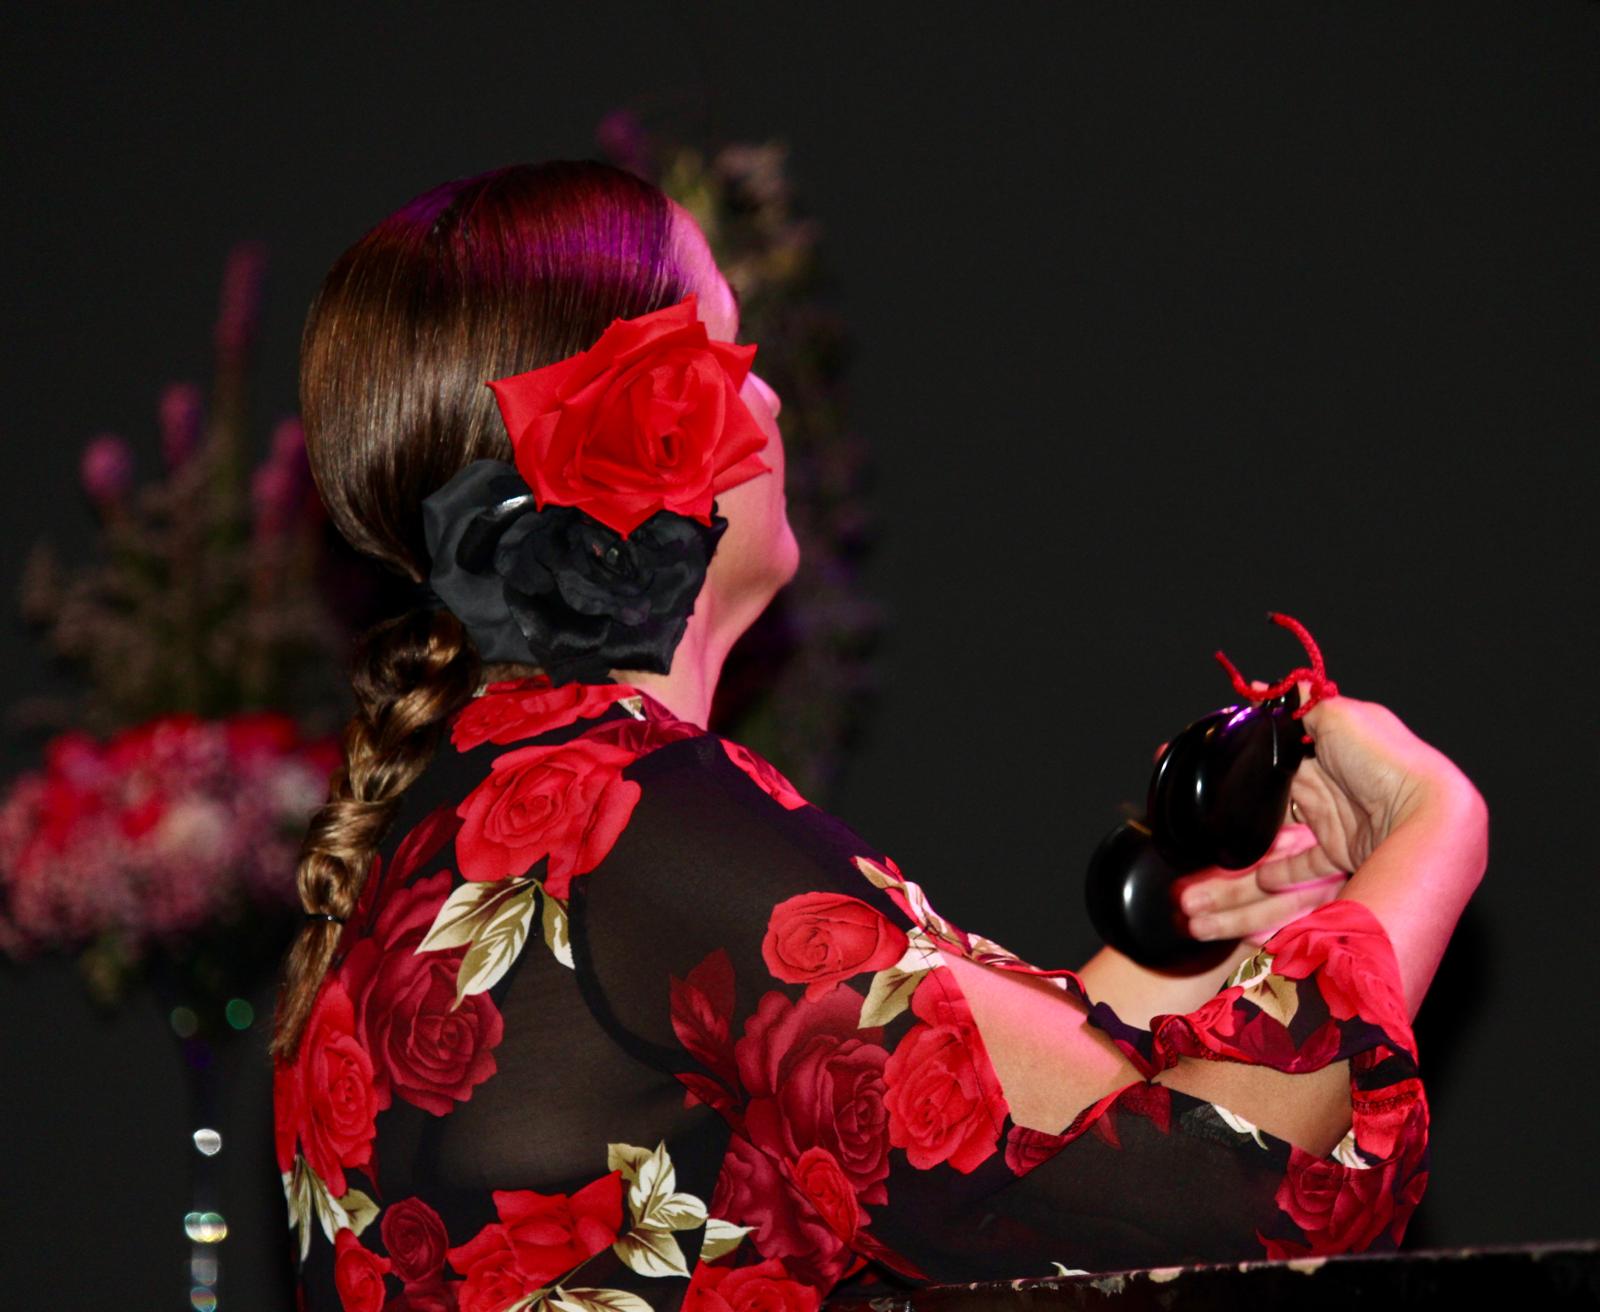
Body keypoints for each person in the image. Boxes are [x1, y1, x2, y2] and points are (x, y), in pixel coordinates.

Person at [269, 160, 1488, 1312]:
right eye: (724, 346)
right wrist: (1431, 829)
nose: (768, 395)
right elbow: (1210, 1196)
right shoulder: (628, 816)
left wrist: (1245, 922)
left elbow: (998, 1130)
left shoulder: (489, 812)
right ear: (627, 428)